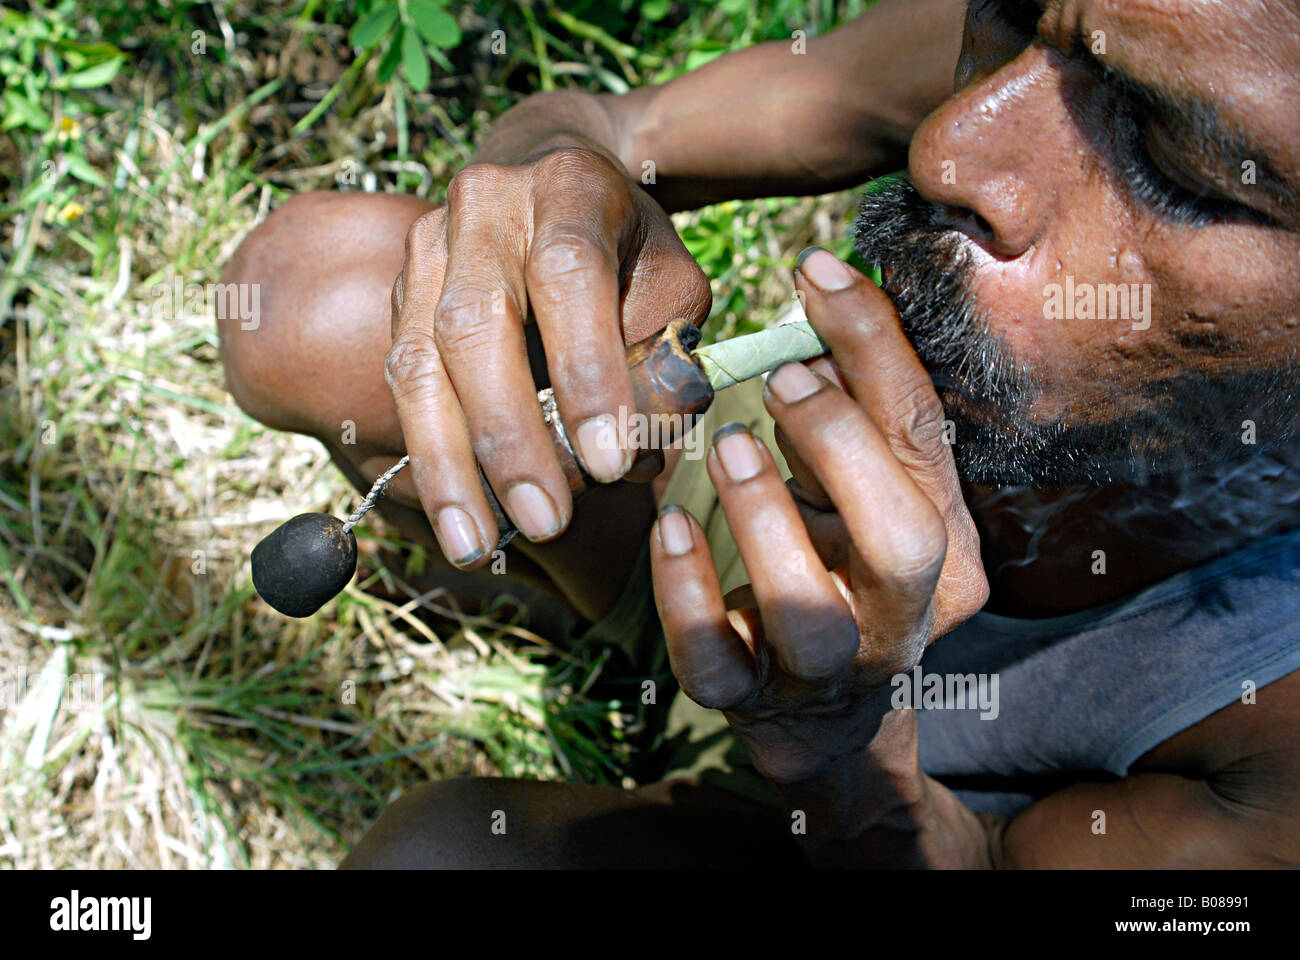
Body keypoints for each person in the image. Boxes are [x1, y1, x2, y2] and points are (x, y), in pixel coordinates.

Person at [218, 0, 1300, 867]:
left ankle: (560, 613)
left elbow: (979, 857)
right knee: (317, 297)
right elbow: (617, 126)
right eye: (1006, 14)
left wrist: (840, 737)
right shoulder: (1093, 31)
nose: (946, 153)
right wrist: (558, 189)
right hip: (698, 504)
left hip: (850, 799)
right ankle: (561, 589)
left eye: (1167, 160)